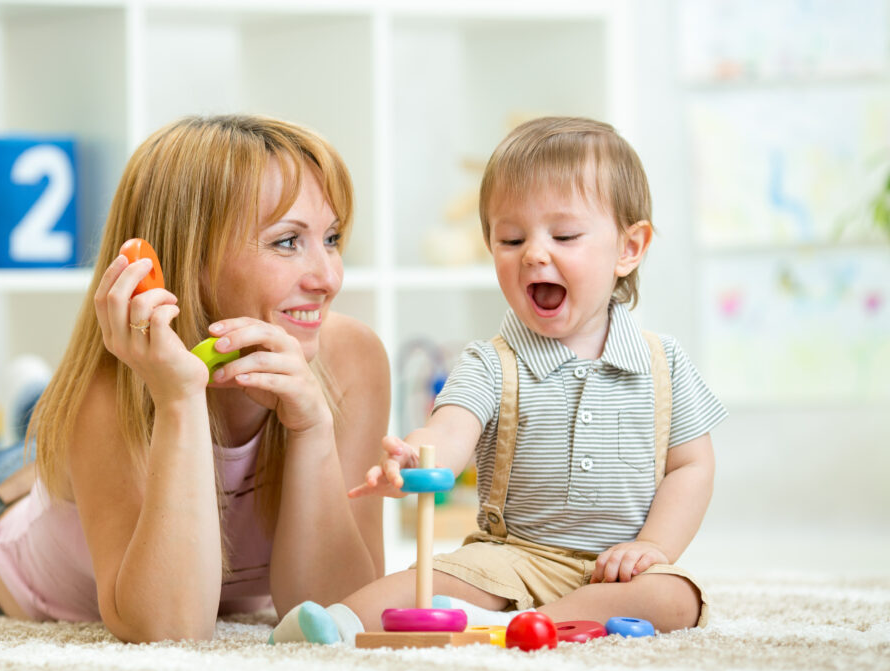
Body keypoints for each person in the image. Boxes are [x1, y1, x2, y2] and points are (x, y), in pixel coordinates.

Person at [0, 114, 390, 643]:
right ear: (188, 256)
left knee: (42, 437)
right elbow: (169, 629)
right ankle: (34, 426)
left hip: (79, 469)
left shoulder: (352, 358)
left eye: (331, 238)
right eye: (287, 242)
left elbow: (338, 611)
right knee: (45, 444)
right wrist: (179, 399)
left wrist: (312, 428)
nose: (329, 278)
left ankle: (32, 415)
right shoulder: (107, 391)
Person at [270, 116, 726, 644]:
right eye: (510, 238)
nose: (533, 253)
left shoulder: (663, 362)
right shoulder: (491, 363)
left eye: (564, 235)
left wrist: (653, 548)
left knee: (677, 597)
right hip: (508, 560)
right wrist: (416, 456)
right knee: (423, 580)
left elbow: (692, 466)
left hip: (615, 571)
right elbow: (449, 433)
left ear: (629, 248)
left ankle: (518, 627)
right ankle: (337, 623)